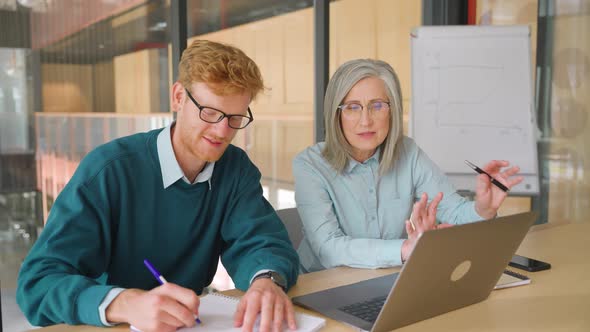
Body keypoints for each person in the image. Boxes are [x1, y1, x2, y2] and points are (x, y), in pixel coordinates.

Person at [17, 40, 300, 332]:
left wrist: (267, 281)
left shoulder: (235, 168)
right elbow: (38, 284)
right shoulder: (108, 169)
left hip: (191, 323)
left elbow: (263, 241)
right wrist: (125, 303)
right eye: (210, 112)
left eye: (235, 118)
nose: (222, 131)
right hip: (115, 324)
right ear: (178, 97)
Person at [293, 59, 523, 273]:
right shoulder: (310, 165)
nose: (366, 120)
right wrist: (406, 249)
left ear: (392, 110)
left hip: (388, 279)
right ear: (336, 114)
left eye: (377, 105)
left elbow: (452, 211)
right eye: (353, 107)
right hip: (321, 286)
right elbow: (329, 248)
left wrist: (483, 209)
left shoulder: (408, 153)